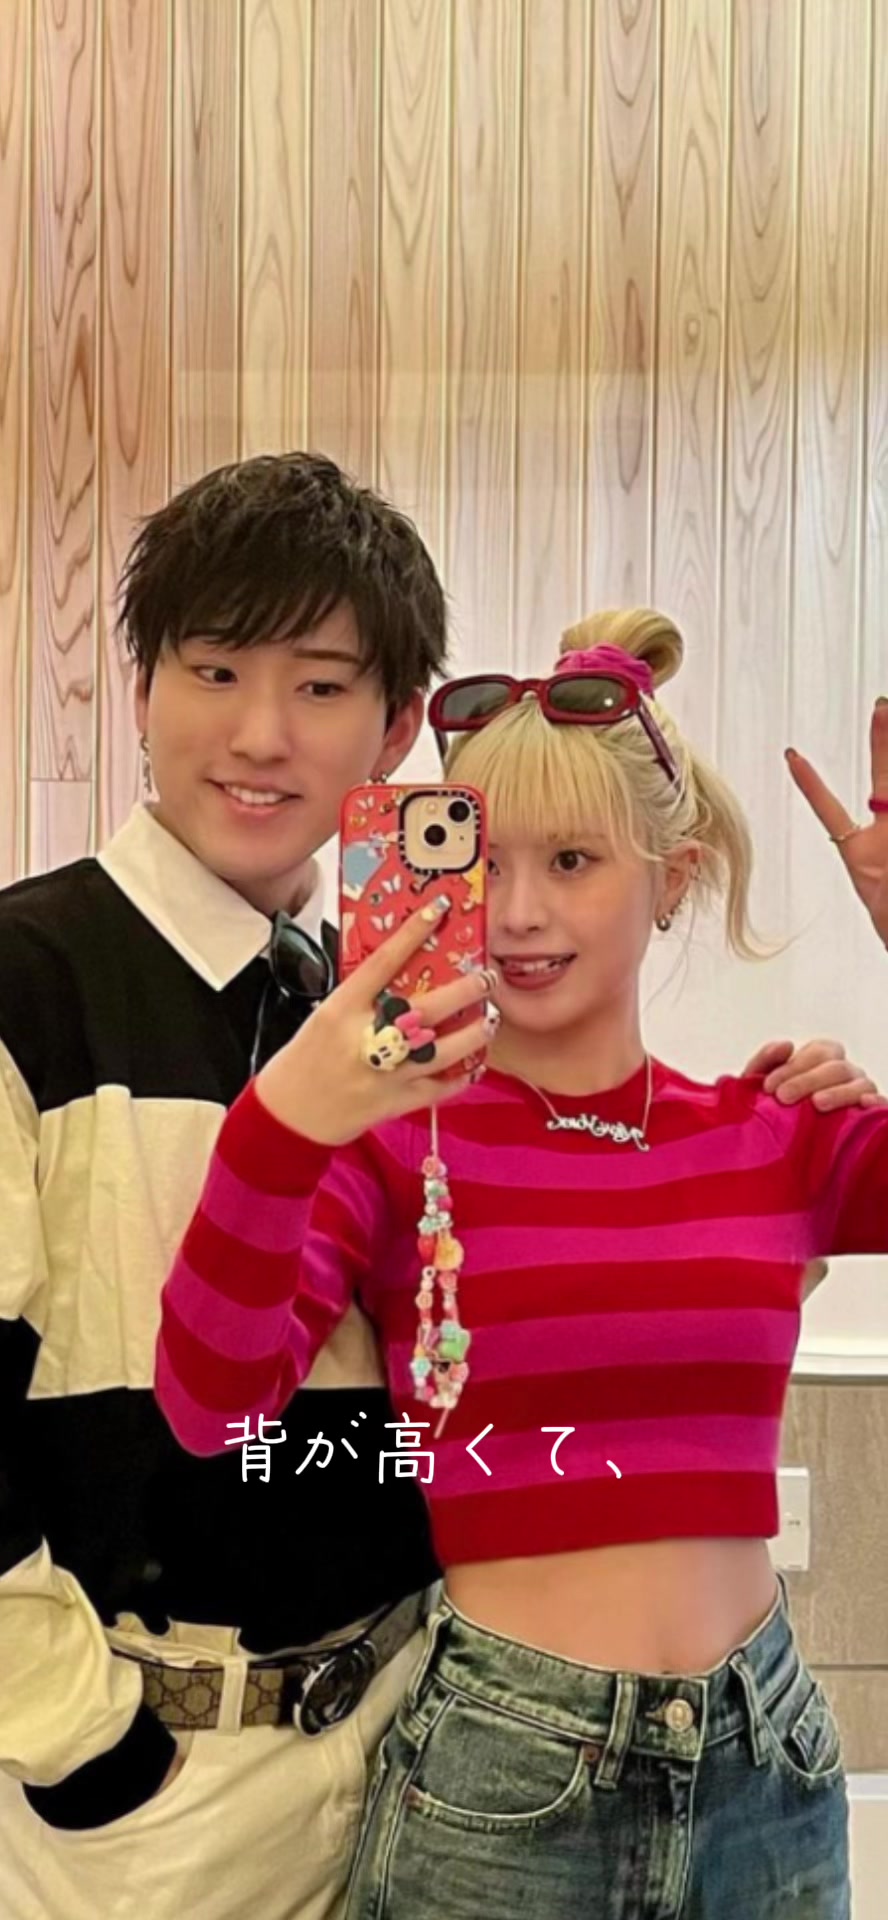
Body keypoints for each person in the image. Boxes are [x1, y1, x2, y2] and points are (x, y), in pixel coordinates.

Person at [156, 606, 888, 1919]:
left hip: (767, 1763)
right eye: (481, 863)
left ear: (673, 877)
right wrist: (285, 1123)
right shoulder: (393, 1144)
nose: (520, 913)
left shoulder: (776, 1131)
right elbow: (211, 1408)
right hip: (505, 1778)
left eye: (574, 860)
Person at [0, 452, 449, 1920]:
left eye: (321, 687)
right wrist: (83, 1746)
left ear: (396, 728)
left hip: (419, 1750)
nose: (261, 734)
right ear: (142, 686)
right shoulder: (27, 980)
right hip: (158, 1797)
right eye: (214, 670)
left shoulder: (375, 1002)